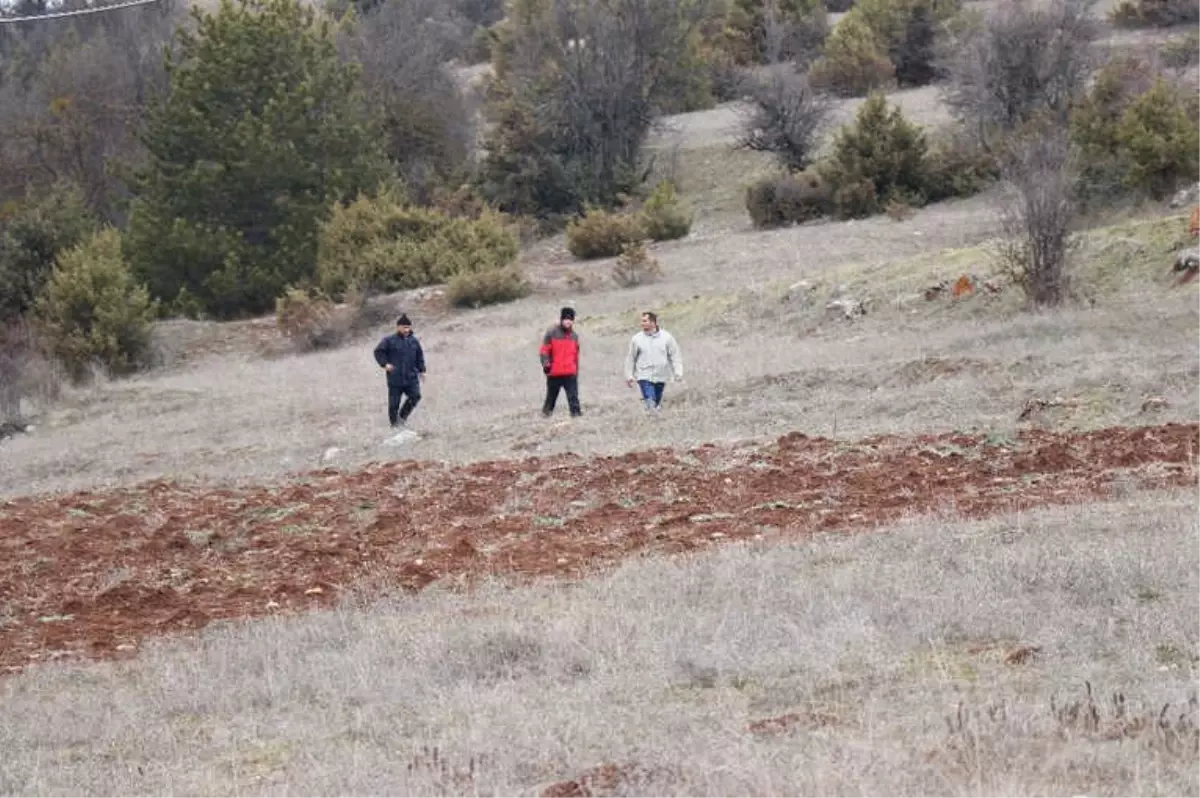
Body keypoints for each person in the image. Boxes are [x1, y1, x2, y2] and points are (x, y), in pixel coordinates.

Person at [373, 314, 426, 428]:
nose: (407, 329)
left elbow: (419, 356)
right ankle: (394, 425)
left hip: (411, 377)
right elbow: (378, 352)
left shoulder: (414, 341)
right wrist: (385, 364)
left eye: (408, 327)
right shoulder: (389, 340)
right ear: (398, 327)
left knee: (415, 396)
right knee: (393, 405)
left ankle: (402, 417)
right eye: (404, 327)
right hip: (395, 378)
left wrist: (422, 371)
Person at [625, 311, 682, 413]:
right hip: (644, 375)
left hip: (661, 376)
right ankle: (651, 412)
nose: (642, 323)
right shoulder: (637, 339)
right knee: (650, 400)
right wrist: (629, 375)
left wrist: (678, 372)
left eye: (645, 321)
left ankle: (652, 417)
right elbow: (631, 358)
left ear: (653, 322)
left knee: (656, 402)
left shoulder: (666, 338)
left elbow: (675, 355)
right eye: (642, 321)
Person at [539, 306, 582, 417]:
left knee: (573, 397)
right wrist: (546, 364)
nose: (568, 322)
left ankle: (576, 415)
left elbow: (576, 355)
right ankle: (546, 414)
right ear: (561, 319)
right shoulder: (551, 333)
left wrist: (576, 371)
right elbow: (544, 350)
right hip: (555, 372)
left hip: (570, 373)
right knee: (551, 397)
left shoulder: (574, 336)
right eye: (566, 319)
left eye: (570, 319)